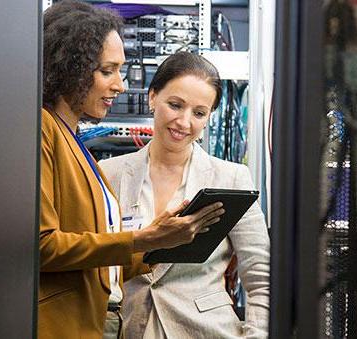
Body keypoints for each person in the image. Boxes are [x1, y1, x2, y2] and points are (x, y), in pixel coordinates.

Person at [39, 2, 224, 338]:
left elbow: (100, 268)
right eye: (108, 71)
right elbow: (41, 246)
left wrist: (159, 244)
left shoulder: (74, 143)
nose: (120, 86)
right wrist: (143, 238)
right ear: (71, 68)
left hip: (98, 323)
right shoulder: (43, 129)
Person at [100, 51, 270, 339]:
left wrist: (256, 335)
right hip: (130, 328)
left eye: (199, 113)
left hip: (206, 330)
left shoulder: (231, 178)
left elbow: (261, 275)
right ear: (153, 97)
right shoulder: (109, 173)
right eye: (175, 105)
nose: (184, 122)